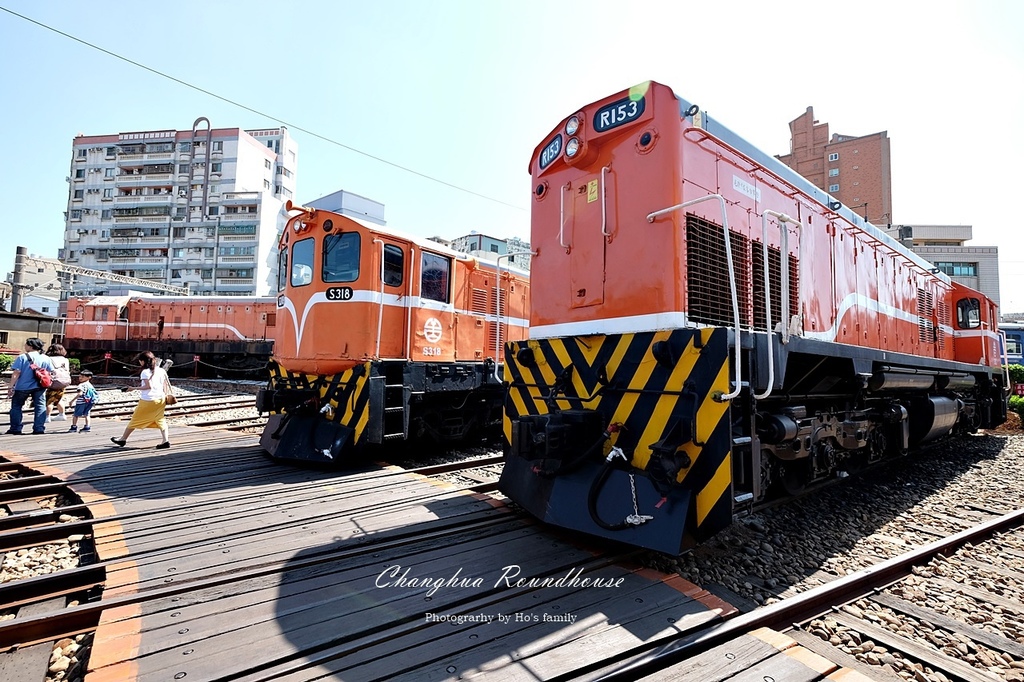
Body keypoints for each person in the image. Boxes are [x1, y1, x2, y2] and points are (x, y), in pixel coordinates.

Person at [111, 351, 171, 449]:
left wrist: (132, 388)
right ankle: (165, 440)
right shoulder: (161, 371)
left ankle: (122, 439)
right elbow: (165, 385)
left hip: (148, 400)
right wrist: (165, 396)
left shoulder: (145, 372)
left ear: (143, 361)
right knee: (160, 419)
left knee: (135, 420)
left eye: (140, 361)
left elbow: (148, 386)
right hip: (161, 399)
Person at [6, 337, 56, 435]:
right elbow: (51, 372)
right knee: (40, 406)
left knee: (16, 406)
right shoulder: (46, 358)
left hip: (22, 387)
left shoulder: (22, 357)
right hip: (40, 386)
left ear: (30, 346)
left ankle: (15, 428)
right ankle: (39, 428)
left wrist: (10, 386)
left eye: (26, 344)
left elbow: (16, 372)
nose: (24, 346)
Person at [45, 343, 73, 422]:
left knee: (49, 400)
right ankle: (62, 414)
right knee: (58, 398)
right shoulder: (65, 360)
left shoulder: (49, 359)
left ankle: (47, 417)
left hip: (53, 381)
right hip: (64, 381)